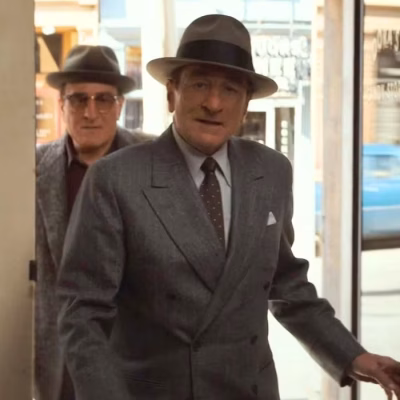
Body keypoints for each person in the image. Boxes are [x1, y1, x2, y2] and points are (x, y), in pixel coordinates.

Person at [56, 15, 400, 400]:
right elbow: (82, 316)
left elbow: (286, 284)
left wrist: (352, 356)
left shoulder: (271, 171)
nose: (214, 103)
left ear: (246, 104)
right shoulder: (115, 179)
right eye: (200, 84)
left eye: (230, 89)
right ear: (172, 93)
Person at [35, 45, 153, 400]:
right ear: (61, 105)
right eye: (78, 99)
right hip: (60, 360)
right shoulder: (32, 168)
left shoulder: (153, 164)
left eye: (103, 100)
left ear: (120, 106)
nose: (90, 112)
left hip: (137, 355)